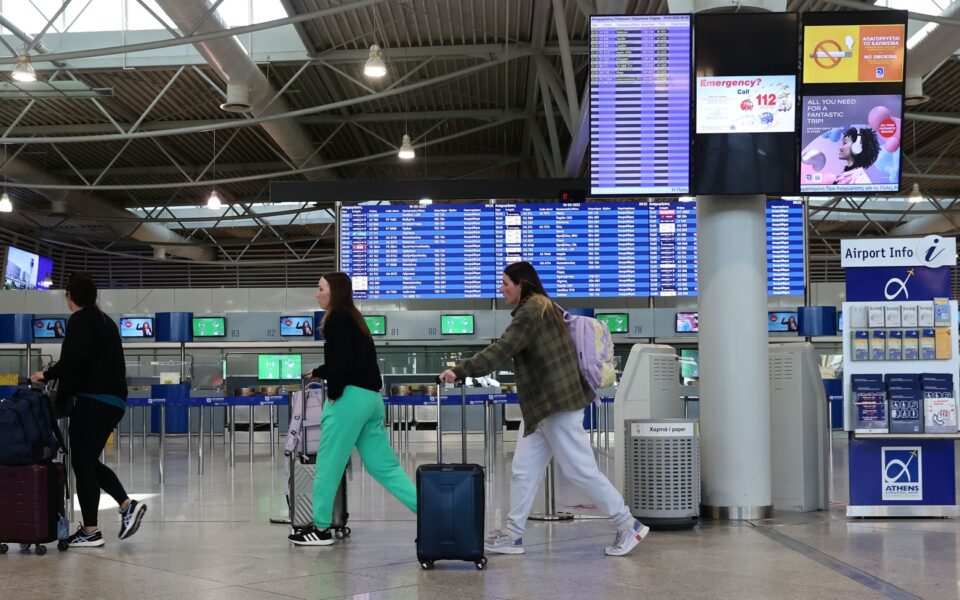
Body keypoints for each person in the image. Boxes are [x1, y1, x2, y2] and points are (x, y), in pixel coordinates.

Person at [439, 261, 649, 558]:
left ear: (521, 284)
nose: (502, 289)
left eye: (505, 283)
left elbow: (503, 348)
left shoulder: (531, 311)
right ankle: (513, 535)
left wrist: (459, 370)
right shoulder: (544, 307)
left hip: (556, 404)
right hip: (541, 407)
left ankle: (628, 524)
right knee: (523, 471)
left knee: (580, 470)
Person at [288, 272, 416, 546]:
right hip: (371, 399)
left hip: (349, 400)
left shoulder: (335, 320)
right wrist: (320, 371)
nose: (316, 293)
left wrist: (333, 393)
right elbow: (353, 360)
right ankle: (429, 511)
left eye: (320, 288)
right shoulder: (357, 320)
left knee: (328, 463)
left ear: (334, 291)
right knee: (384, 467)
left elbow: (343, 365)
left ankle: (321, 528)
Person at [30, 272, 147, 548]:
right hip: (113, 402)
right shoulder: (106, 322)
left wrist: (44, 376)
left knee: (83, 463)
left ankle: (92, 530)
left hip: (94, 401)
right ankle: (126, 505)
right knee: (88, 461)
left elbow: (74, 361)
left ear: (70, 296)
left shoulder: (81, 320)